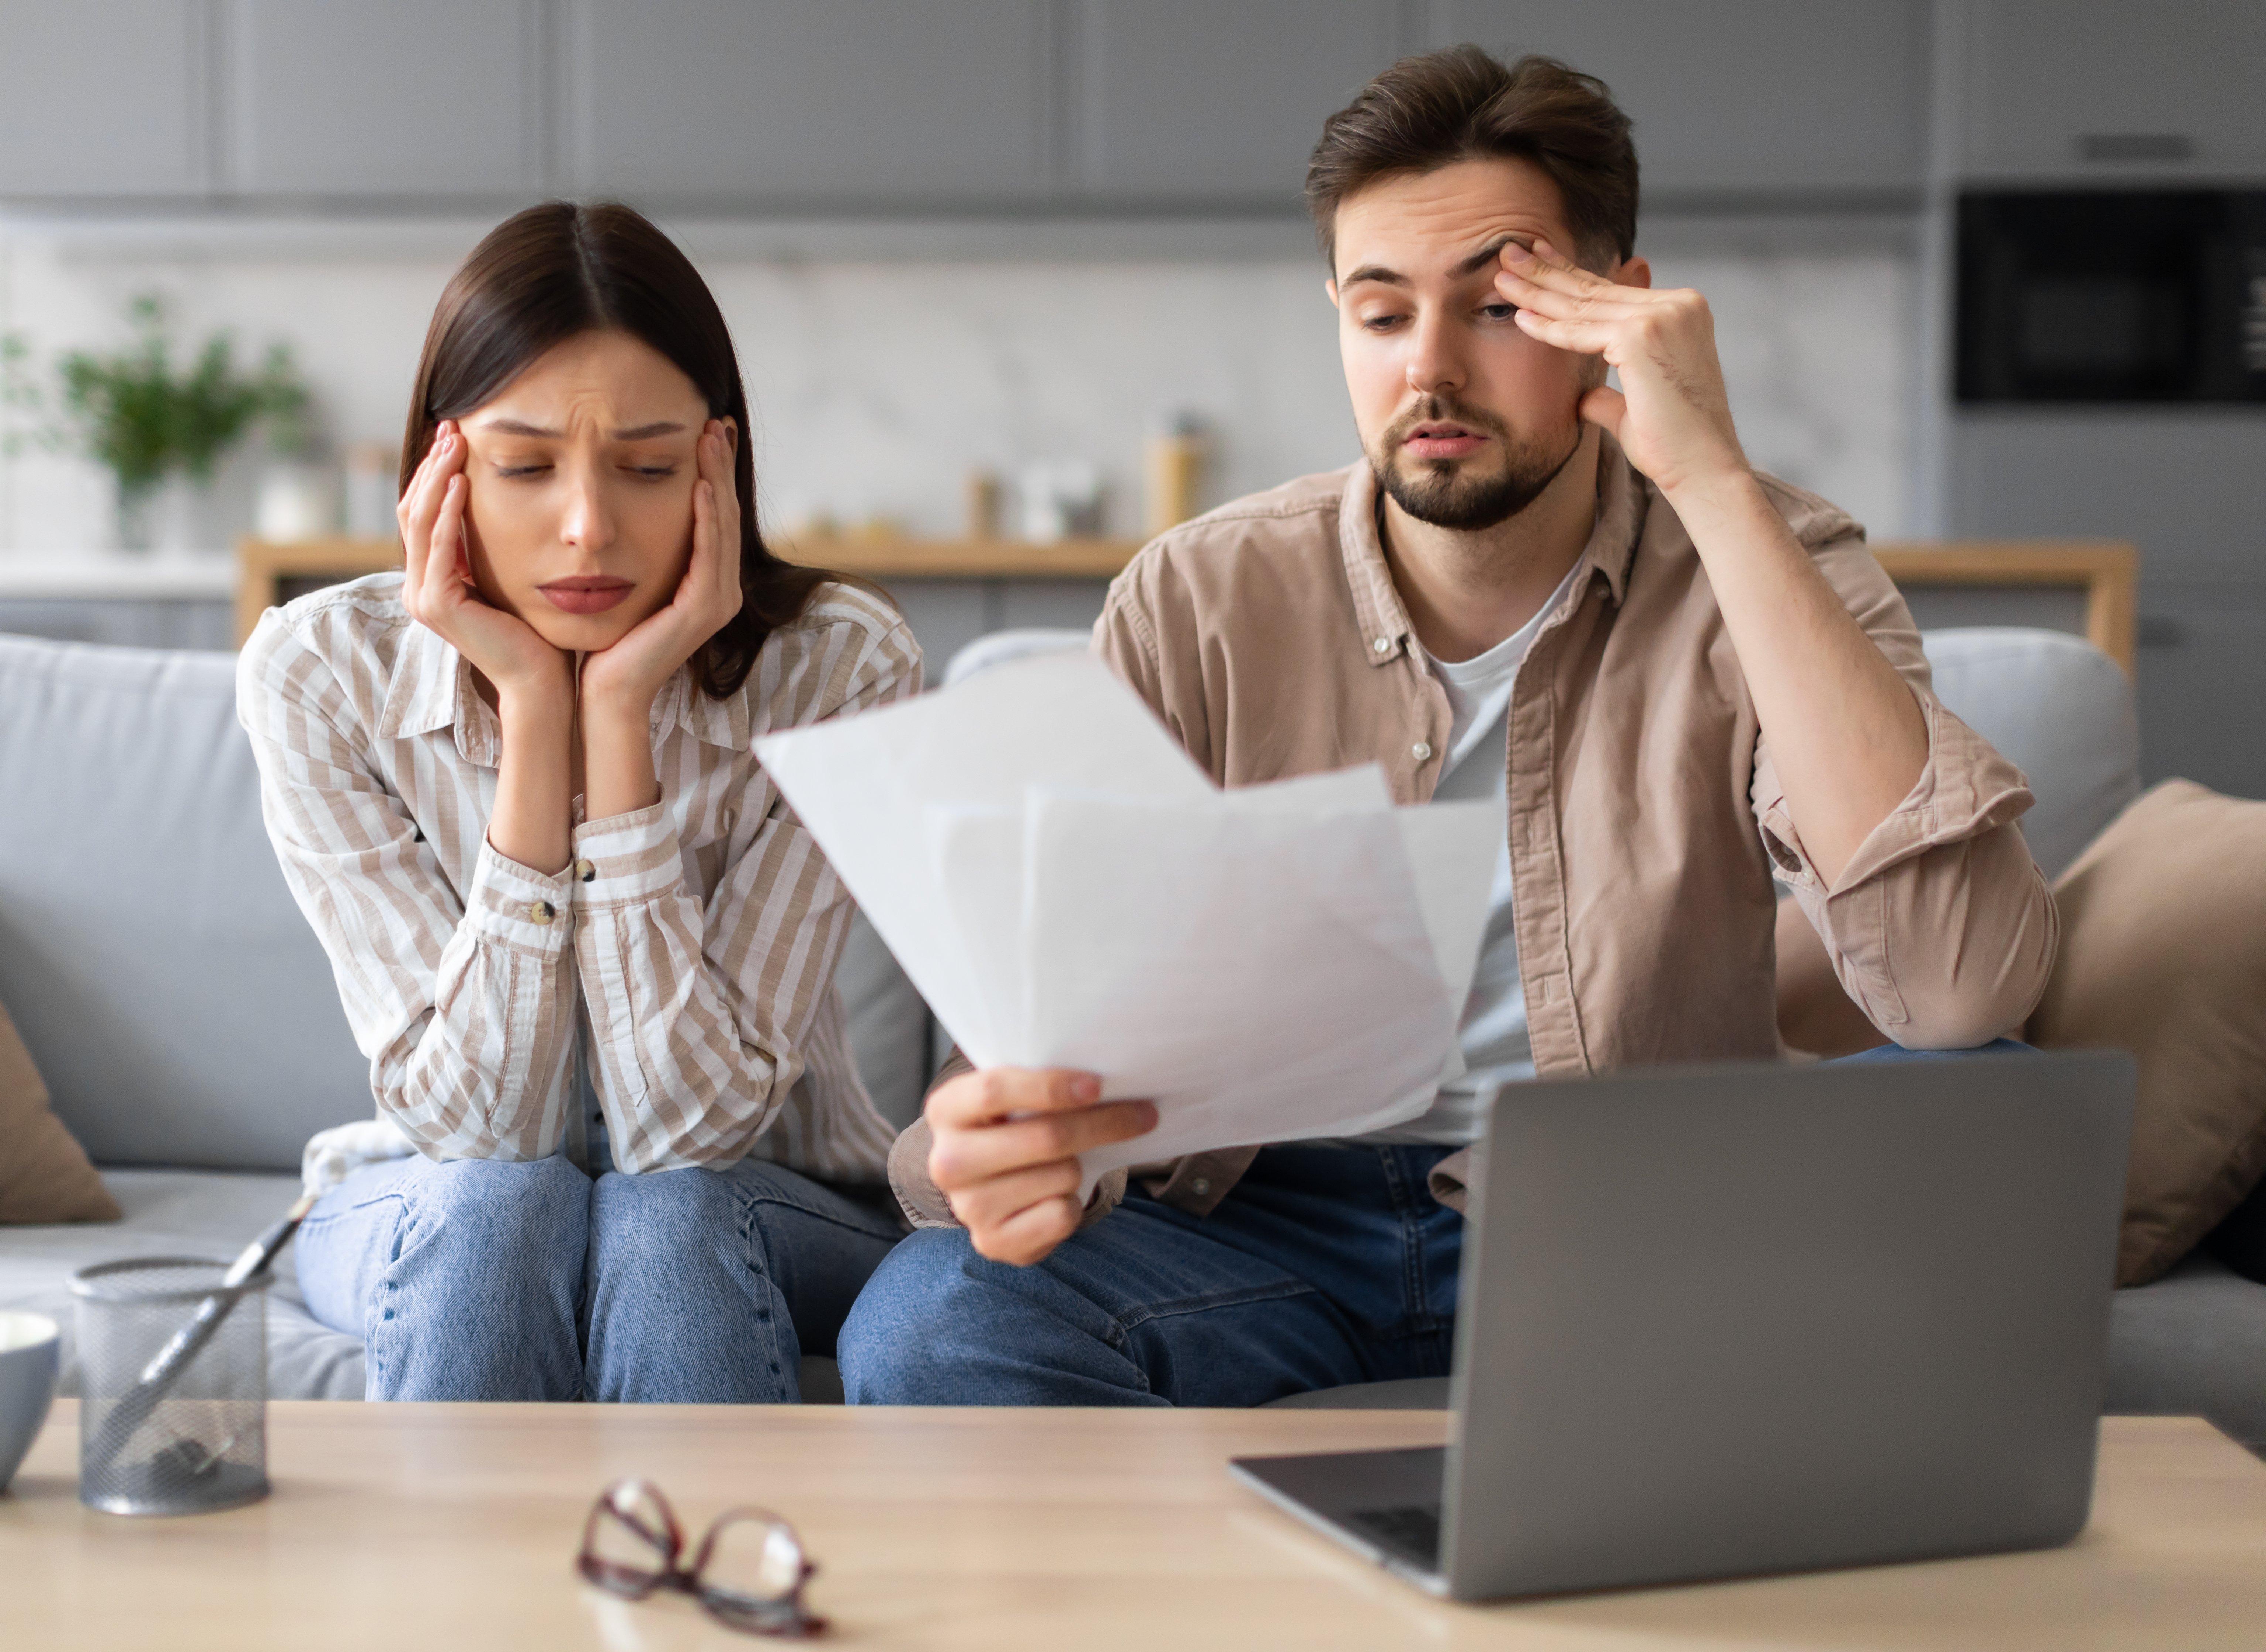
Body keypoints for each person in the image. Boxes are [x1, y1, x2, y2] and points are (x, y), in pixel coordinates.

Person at [836, 47, 2057, 1406]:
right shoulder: (1197, 596)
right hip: (1258, 1228)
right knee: (932, 1328)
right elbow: (1047, 1040)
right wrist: (1010, 1149)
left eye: (1497, 308)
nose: (1430, 370)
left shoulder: (1777, 560)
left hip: (1624, 1217)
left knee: (1980, 1105)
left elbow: (1957, 990)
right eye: (1380, 315)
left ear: (1617, 315)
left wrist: (1709, 476)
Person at [237, 201, 918, 1403]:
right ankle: (470, 1598)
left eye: (649, 467)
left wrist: (619, 722)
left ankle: (696, 1585)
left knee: (667, 1222)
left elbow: (692, 1134)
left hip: (774, 1189)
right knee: (500, 1207)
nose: (589, 525)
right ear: (438, 469)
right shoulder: (320, 670)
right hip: (434, 1181)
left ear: (719, 461)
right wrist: (534, 715)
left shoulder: (841, 667)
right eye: (525, 465)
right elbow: (482, 1130)